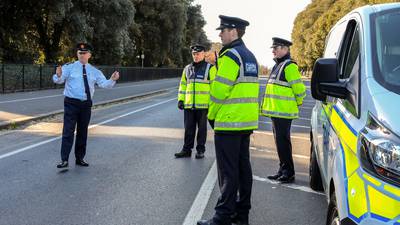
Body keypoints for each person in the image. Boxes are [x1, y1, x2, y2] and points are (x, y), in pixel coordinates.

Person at [197, 15, 259, 225]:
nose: (220, 34)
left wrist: (212, 117)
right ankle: (241, 215)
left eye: (222, 30)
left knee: (227, 173)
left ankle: (222, 217)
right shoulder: (249, 55)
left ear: (233, 31)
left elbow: (218, 92)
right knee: (243, 170)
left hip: (229, 122)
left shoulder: (230, 56)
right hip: (245, 122)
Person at [53, 43, 120, 169]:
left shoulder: (94, 71)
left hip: (86, 105)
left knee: (83, 132)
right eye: (80, 53)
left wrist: (112, 79)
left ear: (89, 55)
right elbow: (59, 80)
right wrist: (58, 75)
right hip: (71, 103)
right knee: (68, 131)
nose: (82, 55)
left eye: (84, 53)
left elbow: (105, 84)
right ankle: (64, 160)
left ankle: (80, 158)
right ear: (77, 54)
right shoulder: (69, 67)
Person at [261, 37, 306, 183]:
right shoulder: (278, 65)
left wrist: (297, 102)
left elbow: (299, 89)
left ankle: (288, 172)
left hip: (284, 113)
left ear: (285, 49)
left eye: (276, 48)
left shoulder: (289, 66)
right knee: (279, 143)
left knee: (283, 143)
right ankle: (282, 169)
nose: (273, 50)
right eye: (273, 48)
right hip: (276, 113)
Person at [175, 44, 213, 159]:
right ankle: (186, 150)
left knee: (202, 130)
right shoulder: (187, 69)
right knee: (188, 129)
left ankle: (200, 150)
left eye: (198, 54)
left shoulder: (210, 68)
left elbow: (214, 87)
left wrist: (212, 104)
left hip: (203, 106)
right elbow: (182, 85)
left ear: (203, 54)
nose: (195, 56)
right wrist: (181, 100)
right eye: (194, 54)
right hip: (189, 105)